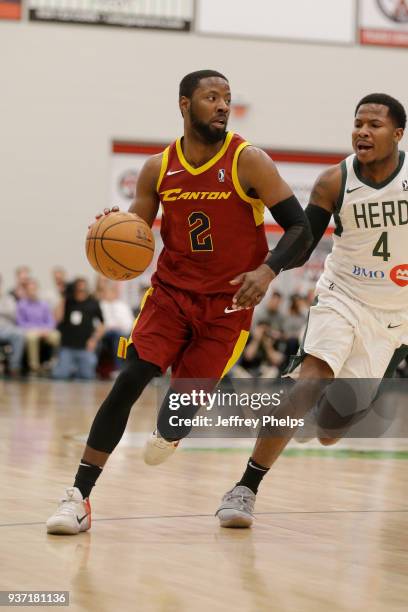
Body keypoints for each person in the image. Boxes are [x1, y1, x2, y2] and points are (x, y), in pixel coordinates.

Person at [46, 69, 312, 534]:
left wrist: (268, 270)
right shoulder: (157, 167)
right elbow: (135, 235)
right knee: (129, 379)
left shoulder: (249, 161)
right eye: (212, 98)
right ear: (185, 105)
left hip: (228, 306)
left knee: (177, 413)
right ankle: (79, 498)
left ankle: (171, 431)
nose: (223, 106)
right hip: (171, 296)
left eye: (227, 98)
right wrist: (115, 228)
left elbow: (301, 228)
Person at [215, 92, 408, 528]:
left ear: (398, 134)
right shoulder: (333, 182)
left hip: (394, 314)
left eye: (374, 124)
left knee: (330, 431)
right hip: (343, 295)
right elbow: (303, 241)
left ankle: (335, 402)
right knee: (309, 380)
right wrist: (268, 270)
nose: (363, 130)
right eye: (358, 122)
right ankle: (245, 487)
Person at [52, 278, 104, 380]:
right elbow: (57, 318)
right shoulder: (67, 301)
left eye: (83, 288)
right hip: (67, 346)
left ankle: (77, 369)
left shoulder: (93, 303)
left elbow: (102, 324)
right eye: (78, 288)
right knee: (60, 375)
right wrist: (63, 297)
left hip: (85, 347)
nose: (81, 291)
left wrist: (94, 340)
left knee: (87, 376)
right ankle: (70, 368)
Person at [16, 279, 60, 375]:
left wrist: (46, 330)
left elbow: (50, 320)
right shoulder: (21, 304)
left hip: (44, 331)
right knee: (32, 338)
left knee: (56, 335)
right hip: (30, 331)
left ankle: (54, 363)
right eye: (30, 289)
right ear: (26, 291)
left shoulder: (44, 304)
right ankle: (34, 366)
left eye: (34, 289)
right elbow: (20, 322)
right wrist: (36, 330)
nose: (33, 291)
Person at [0, 275, 25, 377]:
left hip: (6, 329)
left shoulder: (8, 298)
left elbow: (13, 313)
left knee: (19, 334)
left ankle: (14, 367)